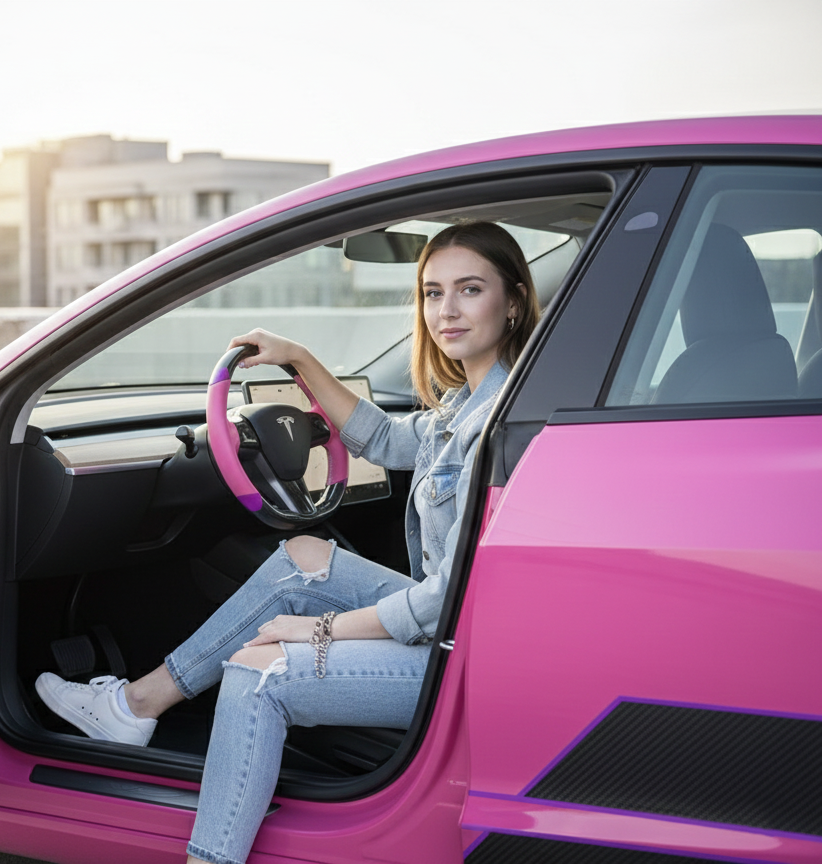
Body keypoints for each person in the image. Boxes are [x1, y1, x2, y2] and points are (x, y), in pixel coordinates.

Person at [36, 221, 541, 864]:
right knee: (303, 557)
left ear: (516, 300)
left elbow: (447, 602)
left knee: (261, 670)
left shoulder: (498, 426)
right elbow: (383, 442)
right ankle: (136, 705)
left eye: (470, 290)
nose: (446, 309)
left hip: (465, 656)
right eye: (432, 292)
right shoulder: (465, 405)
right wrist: (298, 358)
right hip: (452, 626)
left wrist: (320, 631)